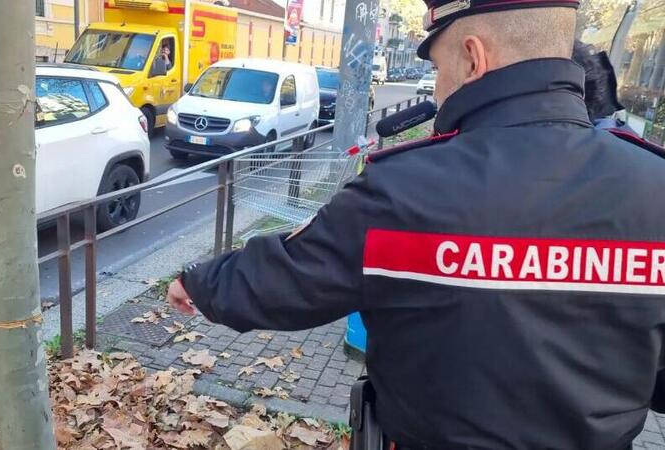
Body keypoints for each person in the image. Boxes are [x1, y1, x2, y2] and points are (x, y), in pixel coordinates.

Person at [167, 0, 665, 448]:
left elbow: (290, 277)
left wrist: (200, 283)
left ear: (474, 57)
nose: (438, 87)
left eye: (439, 68)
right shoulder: (655, 185)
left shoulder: (403, 189)